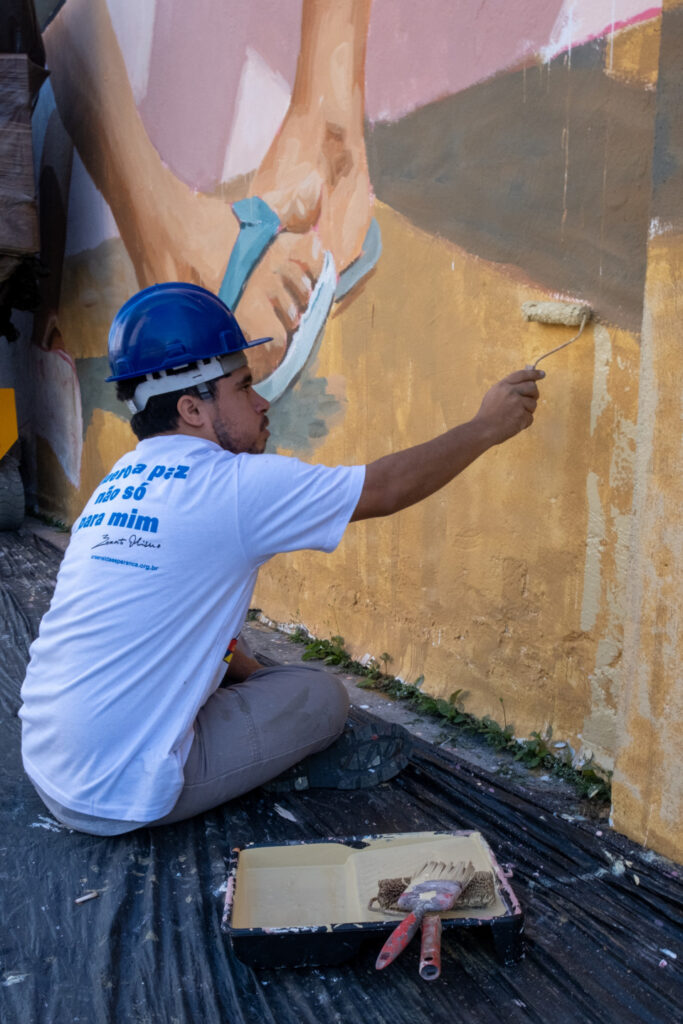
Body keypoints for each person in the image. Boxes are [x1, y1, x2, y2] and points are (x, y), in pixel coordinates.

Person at [19, 283, 544, 835]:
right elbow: (384, 490)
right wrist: (487, 426)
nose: (263, 401)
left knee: (242, 658)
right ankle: (262, 765)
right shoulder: (231, 485)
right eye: (244, 386)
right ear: (192, 408)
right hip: (117, 795)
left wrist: (254, 675)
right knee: (319, 695)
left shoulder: (115, 484)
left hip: (51, 759)